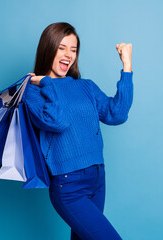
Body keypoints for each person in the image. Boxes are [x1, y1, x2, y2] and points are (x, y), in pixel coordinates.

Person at [23, 22, 133, 240]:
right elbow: (58, 121)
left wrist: (127, 66)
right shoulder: (33, 91)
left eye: (73, 50)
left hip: (97, 179)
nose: (68, 55)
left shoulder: (86, 86)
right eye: (62, 48)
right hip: (68, 186)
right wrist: (45, 82)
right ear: (48, 48)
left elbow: (116, 114)